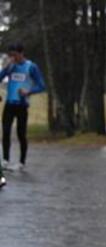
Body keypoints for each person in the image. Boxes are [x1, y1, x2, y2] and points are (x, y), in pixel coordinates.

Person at [0, 43, 46, 172]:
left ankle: (22, 162)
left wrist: (28, 92)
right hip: (10, 103)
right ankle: (5, 160)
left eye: (14, 55)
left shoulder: (31, 67)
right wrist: (6, 68)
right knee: (6, 131)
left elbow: (41, 85)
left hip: (22, 104)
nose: (12, 58)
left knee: (21, 134)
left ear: (21, 53)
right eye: (10, 56)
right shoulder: (11, 67)